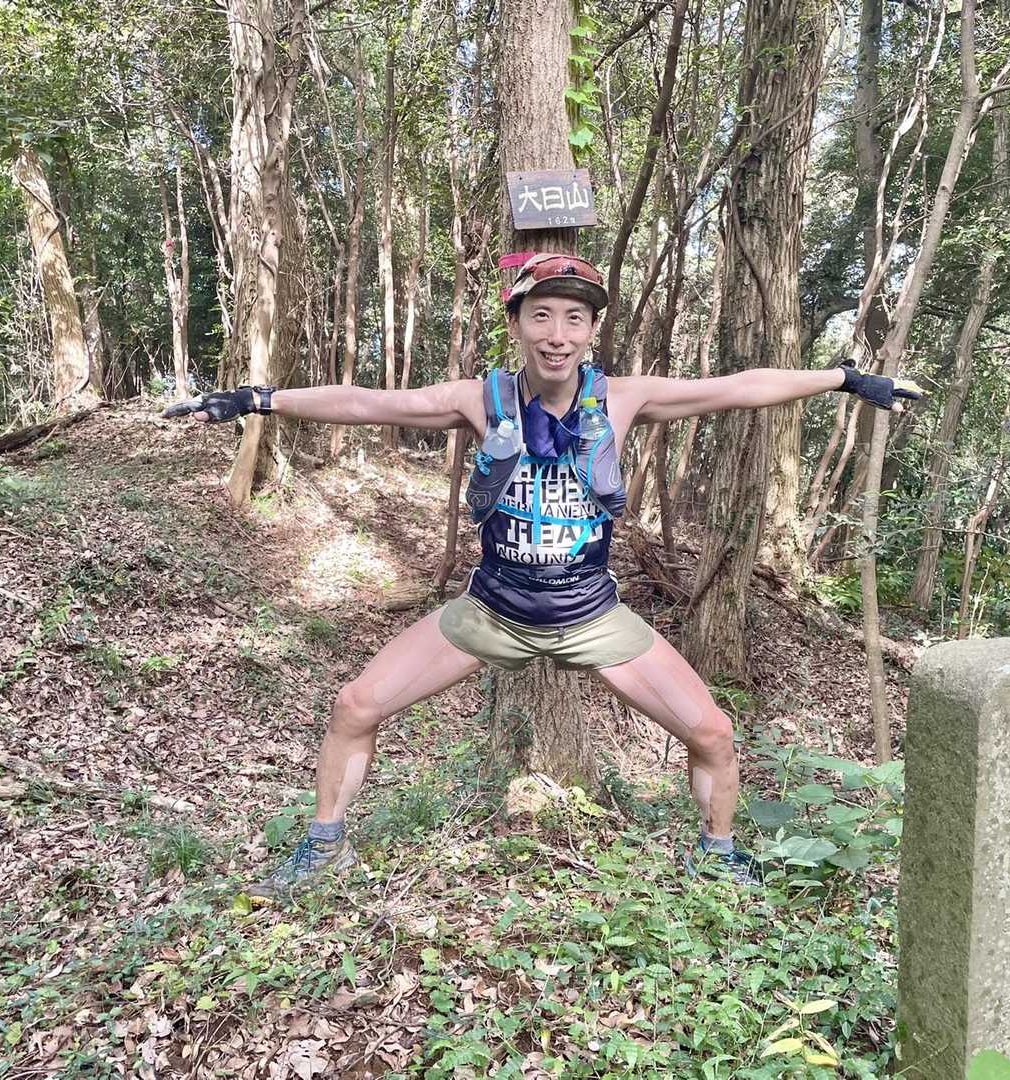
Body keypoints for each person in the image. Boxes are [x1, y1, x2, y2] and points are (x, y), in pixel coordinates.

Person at [164, 253, 923, 902]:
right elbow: (367, 403)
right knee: (355, 704)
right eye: (542, 316)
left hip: (591, 617)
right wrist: (257, 400)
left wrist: (845, 379)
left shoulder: (622, 398)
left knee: (714, 733)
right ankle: (323, 847)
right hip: (491, 611)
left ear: (591, 331)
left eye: (574, 319)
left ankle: (718, 856)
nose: (557, 334)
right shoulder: (480, 399)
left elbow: (737, 386)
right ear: (518, 324)